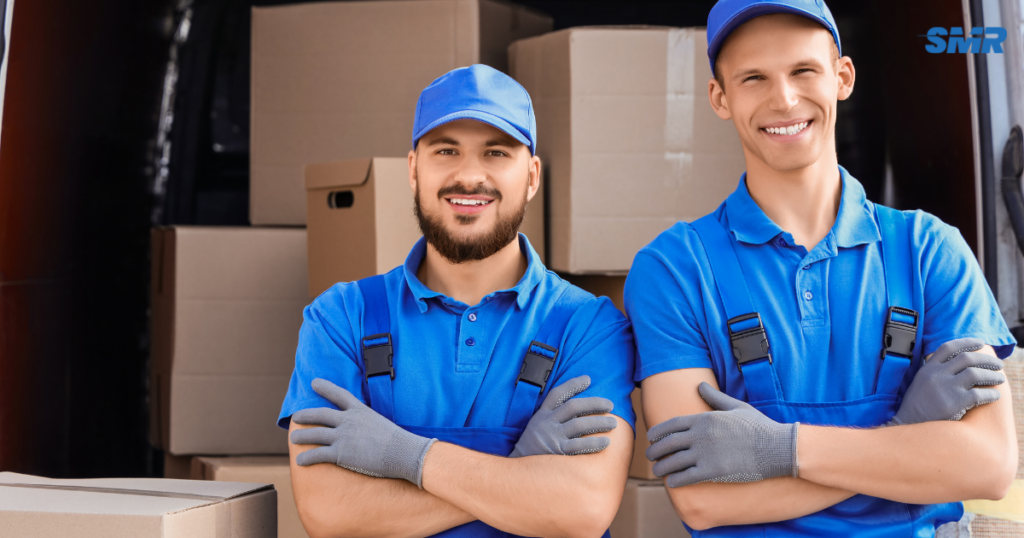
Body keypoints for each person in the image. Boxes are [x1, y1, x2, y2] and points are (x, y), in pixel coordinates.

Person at [624, 0, 1018, 536]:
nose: (783, 99)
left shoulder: (929, 250)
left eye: (803, 71)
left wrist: (780, 449)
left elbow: (987, 465)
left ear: (842, 77)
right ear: (720, 97)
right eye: (754, 78)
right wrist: (907, 433)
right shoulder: (673, 269)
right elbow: (703, 499)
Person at [278, 64, 636, 538]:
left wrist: (403, 456)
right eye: (446, 150)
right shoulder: (340, 317)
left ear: (531, 176)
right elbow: (330, 512)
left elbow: (581, 508)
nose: (469, 175)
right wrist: (519, 467)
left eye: (496, 152)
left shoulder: (590, 327)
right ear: (413, 169)